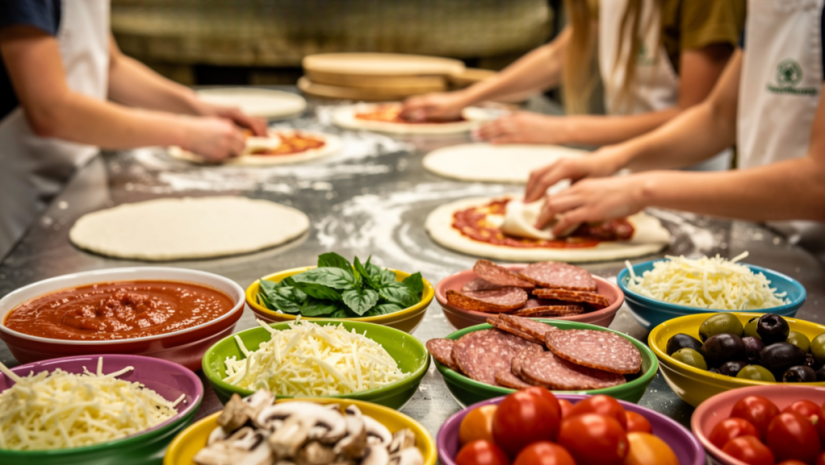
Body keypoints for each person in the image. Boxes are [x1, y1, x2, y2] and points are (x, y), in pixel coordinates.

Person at [524, 0, 825, 260]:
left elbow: (818, 183)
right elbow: (718, 116)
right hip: (768, 235)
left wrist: (641, 189)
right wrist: (612, 159)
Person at [0, 1, 267, 258]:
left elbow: (111, 66)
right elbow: (51, 110)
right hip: (22, 191)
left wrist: (195, 106)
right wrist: (186, 132)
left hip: (74, 172)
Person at [403, 0, 745, 153]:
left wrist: (559, 128)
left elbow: (696, 117)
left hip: (687, 175)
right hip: (620, 161)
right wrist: (463, 99)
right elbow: (558, 54)